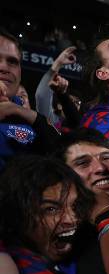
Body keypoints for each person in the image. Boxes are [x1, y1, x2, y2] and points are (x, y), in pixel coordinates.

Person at [0, 28, 60, 171]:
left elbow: (63, 156)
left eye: (12, 61)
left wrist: (22, 112)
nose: (4, 67)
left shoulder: (28, 117)